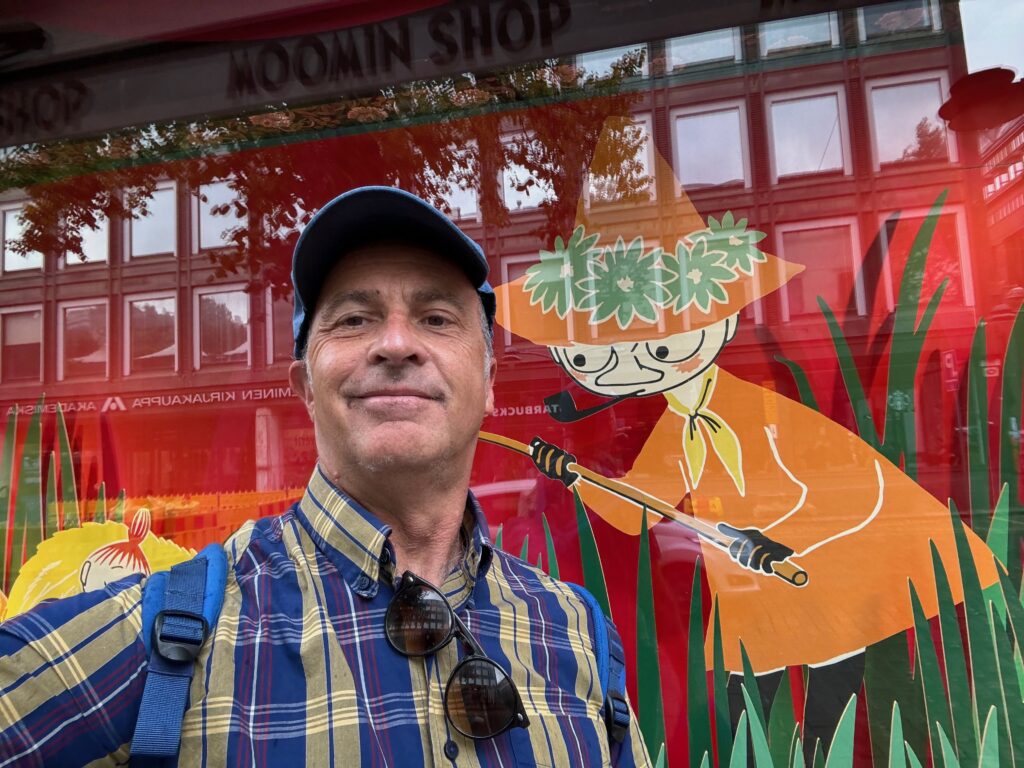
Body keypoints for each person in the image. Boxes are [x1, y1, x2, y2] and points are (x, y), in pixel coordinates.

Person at [0, 186, 652, 767]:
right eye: (354, 318)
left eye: (436, 317)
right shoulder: (166, 636)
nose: (396, 343)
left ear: (488, 384)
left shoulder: (578, 632)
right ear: (305, 388)